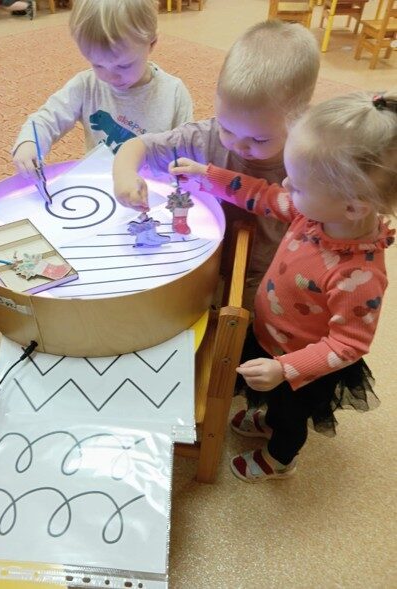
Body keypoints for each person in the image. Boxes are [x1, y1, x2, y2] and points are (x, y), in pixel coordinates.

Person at [169, 91, 397, 483]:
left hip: (304, 366)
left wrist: (284, 369)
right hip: (269, 335)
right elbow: (262, 195)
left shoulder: (358, 276)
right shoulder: (313, 213)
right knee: (269, 397)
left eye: (300, 186)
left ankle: (279, 459)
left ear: (353, 207)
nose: (287, 185)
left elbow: (349, 344)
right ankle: (268, 417)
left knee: (290, 417)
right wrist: (207, 175)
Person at [113, 20, 320, 309]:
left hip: (265, 273)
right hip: (202, 260)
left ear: (299, 120)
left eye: (259, 139)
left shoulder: (310, 161)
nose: (238, 145)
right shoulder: (205, 137)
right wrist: (124, 177)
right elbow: (137, 146)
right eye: (227, 128)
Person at [12, 0, 193, 177]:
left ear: (151, 43)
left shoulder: (174, 93)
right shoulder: (86, 85)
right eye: (97, 65)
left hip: (151, 187)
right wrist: (30, 142)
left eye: (123, 66)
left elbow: (187, 151)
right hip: (99, 183)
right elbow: (48, 118)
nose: (110, 77)